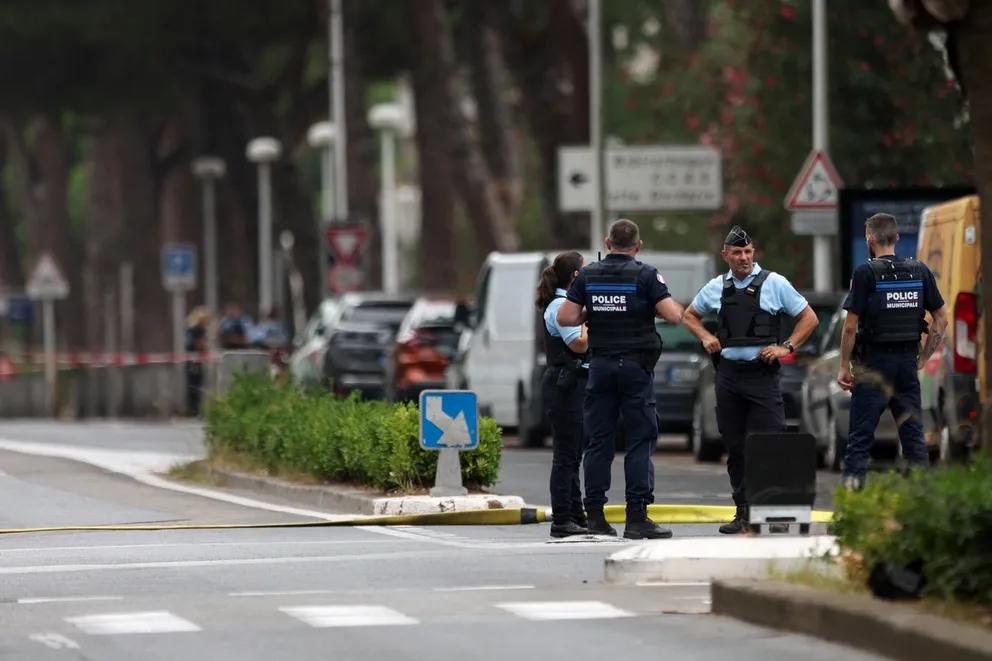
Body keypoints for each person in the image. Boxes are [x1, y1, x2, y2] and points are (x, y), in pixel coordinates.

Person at [682, 225, 818, 534]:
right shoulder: (716, 286)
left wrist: (786, 346)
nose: (743, 258)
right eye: (737, 253)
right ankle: (742, 511)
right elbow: (689, 315)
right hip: (729, 377)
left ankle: (773, 512)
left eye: (747, 252)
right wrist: (706, 336)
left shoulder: (775, 283)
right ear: (725, 255)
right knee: (736, 446)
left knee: (769, 443)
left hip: (762, 376)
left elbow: (809, 318)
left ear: (753, 253)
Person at [557, 219, 684, 540]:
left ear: (607, 241)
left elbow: (566, 317)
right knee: (640, 439)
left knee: (599, 441)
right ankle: (637, 516)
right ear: (637, 246)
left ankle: (596, 515)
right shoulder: (646, 275)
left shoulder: (587, 275)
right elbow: (674, 315)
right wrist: (645, 307)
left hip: (600, 365)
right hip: (635, 369)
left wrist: (593, 311)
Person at [836, 213, 946, 491]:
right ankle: (923, 505)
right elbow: (941, 319)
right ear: (897, 237)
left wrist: (843, 367)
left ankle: (853, 506)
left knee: (860, 441)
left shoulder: (865, 274)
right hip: (907, 365)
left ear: (869, 239)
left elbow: (850, 328)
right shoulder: (920, 271)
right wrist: (923, 356)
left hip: (873, 366)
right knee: (914, 440)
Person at [536, 251, 590, 539]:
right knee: (566, 455)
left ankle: (575, 513)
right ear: (576, 277)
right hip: (564, 385)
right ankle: (562, 518)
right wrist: (588, 320)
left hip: (570, 384)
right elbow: (579, 344)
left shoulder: (565, 303)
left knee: (573, 452)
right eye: (586, 271)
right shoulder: (560, 306)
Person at [184, 306, 211, 416]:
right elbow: (198, 344)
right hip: (195, 360)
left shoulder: (191, 329)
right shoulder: (198, 330)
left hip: (192, 360)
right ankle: (194, 409)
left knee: (193, 385)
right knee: (195, 385)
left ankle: (194, 408)